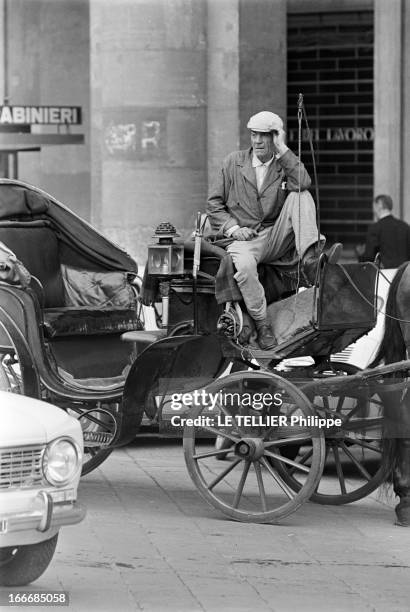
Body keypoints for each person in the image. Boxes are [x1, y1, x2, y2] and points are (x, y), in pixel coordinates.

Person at [206, 110, 342, 350]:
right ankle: (262, 324)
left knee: (301, 195)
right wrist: (234, 228)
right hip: (244, 239)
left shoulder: (282, 165)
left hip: (274, 236)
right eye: (254, 134)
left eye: (265, 136)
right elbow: (213, 205)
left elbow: (303, 181)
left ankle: (311, 260)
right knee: (245, 268)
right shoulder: (232, 162)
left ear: (275, 137)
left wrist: (282, 149)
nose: (257, 141)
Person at [358, 194, 410, 268]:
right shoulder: (405, 226)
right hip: (405, 274)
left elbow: (369, 258)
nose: (373, 210)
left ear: (379, 205)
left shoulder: (375, 228)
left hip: (384, 274)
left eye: (374, 206)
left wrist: (360, 255)